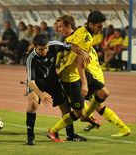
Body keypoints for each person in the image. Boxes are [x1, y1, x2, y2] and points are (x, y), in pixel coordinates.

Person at [47, 11, 130, 142]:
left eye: (103, 26)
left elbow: (72, 46)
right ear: (90, 24)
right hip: (71, 76)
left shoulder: (80, 32)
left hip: (80, 72)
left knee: (103, 93)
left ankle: (88, 117)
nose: (102, 29)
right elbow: (80, 61)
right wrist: (84, 83)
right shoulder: (86, 37)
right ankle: (53, 131)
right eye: (99, 26)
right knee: (78, 112)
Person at [25, 34, 91, 145]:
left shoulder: (54, 45)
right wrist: (41, 95)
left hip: (52, 81)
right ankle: (30, 137)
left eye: (46, 48)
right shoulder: (30, 58)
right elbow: (31, 82)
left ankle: (70, 135)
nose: (45, 51)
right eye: (41, 49)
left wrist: (82, 52)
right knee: (33, 103)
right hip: (37, 84)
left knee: (65, 106)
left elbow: (70, 46)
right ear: (34, 47)